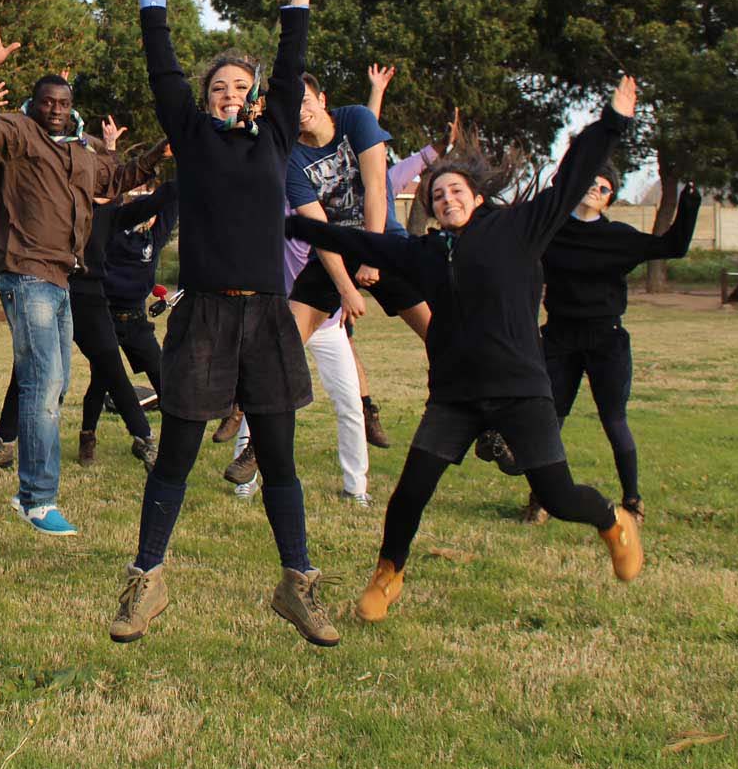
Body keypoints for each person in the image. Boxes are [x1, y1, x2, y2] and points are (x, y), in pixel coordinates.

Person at [286, 76, 648, 624]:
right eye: (437, 194)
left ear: (477, 197)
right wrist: (294, 223)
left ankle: (612, 519)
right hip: (455, 396)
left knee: (556, 494)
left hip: (522, 392)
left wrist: (613, 122)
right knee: (409, 493)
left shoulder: (519, 229)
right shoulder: (428, 254)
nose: (446, 197)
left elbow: (573, 178)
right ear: (431, 209)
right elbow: (362, 241)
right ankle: (388, 573)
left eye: (455, 190)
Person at [108, 0, 339, 648]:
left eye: (239, 87)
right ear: (204, 104)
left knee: (278, 455)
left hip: (267, 317)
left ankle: (297, 585)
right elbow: (163, 67)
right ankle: (147, 579)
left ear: (258, 100)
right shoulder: (192, 135)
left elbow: (293, 65)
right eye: (218, 89)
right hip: (204, 316)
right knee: (176, 454)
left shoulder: (274, 139)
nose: (227, 95)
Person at [0, 27, 163, 537]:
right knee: (43, 382)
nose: (55, 108)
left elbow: (116, 178)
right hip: (26, 272)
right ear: (34, 103)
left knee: (56, 386)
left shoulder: (80, 153)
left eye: (64, 103)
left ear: (71, 107)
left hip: (61, 279)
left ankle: (32, 489)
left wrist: (163, 149)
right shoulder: (17, 134)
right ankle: (36, 498)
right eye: (48, 101)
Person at [525, 170, 702, 523]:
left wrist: (690, 202)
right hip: (560, 336)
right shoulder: (550, 232)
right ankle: (542, 499)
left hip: (606, 339)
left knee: (614, 420)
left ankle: (632, 501)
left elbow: (673, 246)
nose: (594, 189)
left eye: (603, 187)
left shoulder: (617, 237)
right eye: (588, 181)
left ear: (610, 198)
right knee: (550, 420)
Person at [279, 69, 432, 451]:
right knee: (283, 343)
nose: (299, 111)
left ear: (322, 100)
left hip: (382, 240)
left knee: (438, 330)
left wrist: (371, 255)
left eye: (305, 101)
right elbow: (317, 229)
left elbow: (378, 188)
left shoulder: (357, 120)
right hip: (332, 252)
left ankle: (461, 401)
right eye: (290, 106)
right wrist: (346, 290)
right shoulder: (291, 158)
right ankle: (258, 432)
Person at [74, 122, 168, 468]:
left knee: (133, 375)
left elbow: (133, 187)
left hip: (124, 314)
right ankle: (87, 435)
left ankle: (153, 440)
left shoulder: (124, 217)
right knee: (101, 377)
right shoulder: (81, 205)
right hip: (87, 303)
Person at [102, 181, 178, 409]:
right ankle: (89, 432)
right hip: (107, 316)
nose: (151, 219)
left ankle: (171, 429)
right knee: (102, 378)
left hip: (136, 320)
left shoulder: (153, 239)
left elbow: (172, 205)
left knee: (163, 377)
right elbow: (110, 200)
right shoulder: (114, 234)